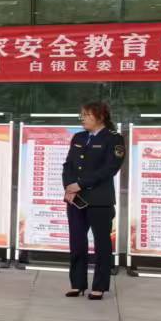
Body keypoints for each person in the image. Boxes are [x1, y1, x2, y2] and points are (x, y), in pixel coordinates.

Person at [63, 100, 126, 301]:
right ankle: (77, 284)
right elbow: (68, 165)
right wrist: (69, 187)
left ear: (101, 116)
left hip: (100, 200)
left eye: (87, 115)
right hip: (76, 200)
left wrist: (80, 184)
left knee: (102, 245)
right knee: (77, 242)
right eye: (81, 115)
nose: (82, 119)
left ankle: (99, 286)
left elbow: (110, 169)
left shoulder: (113, 138)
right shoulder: (79, 137)